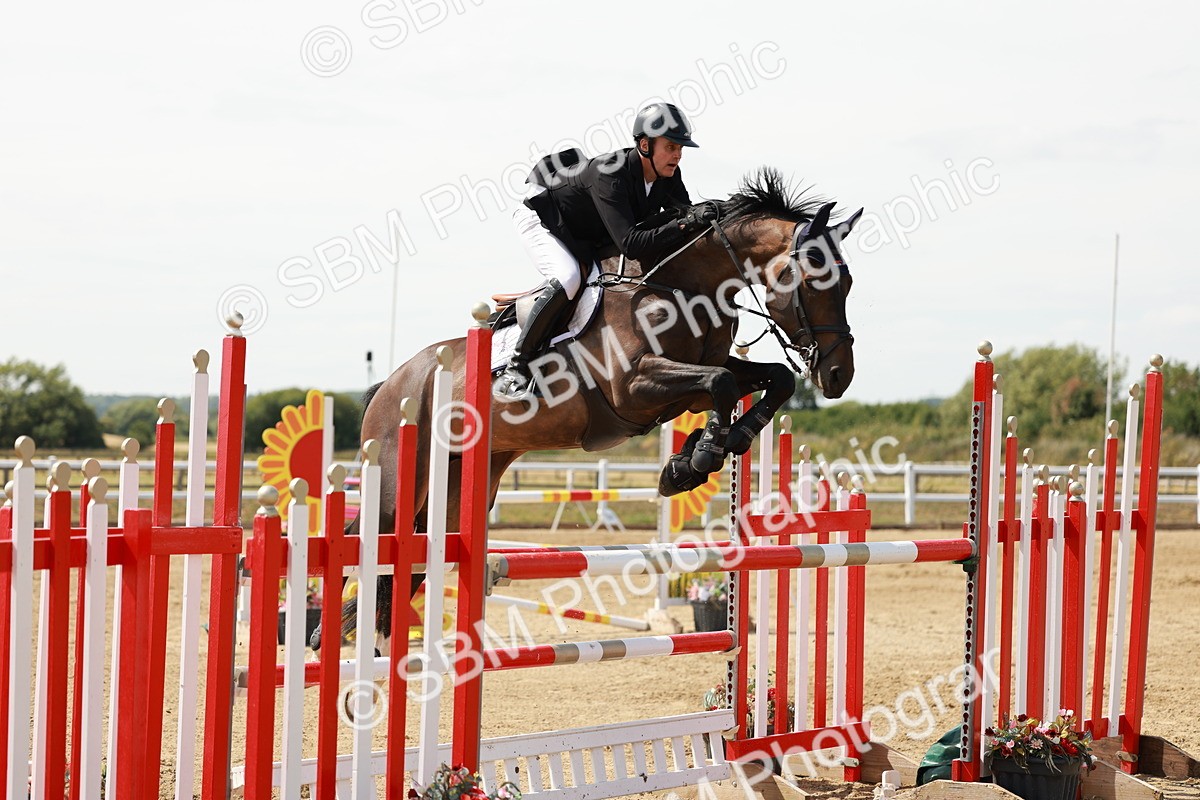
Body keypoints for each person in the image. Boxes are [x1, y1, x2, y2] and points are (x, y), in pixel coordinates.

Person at [494, 102, 719, 401]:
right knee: (569, 277)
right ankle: (516, 370)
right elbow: (631, 244)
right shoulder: (610, 174)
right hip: (543, 216)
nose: (678, 155)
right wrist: (682, 224)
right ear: (645, 145)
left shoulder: (668, 176)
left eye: (680, 148)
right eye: (670, 147)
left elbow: (686, 215)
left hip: (587, 231)